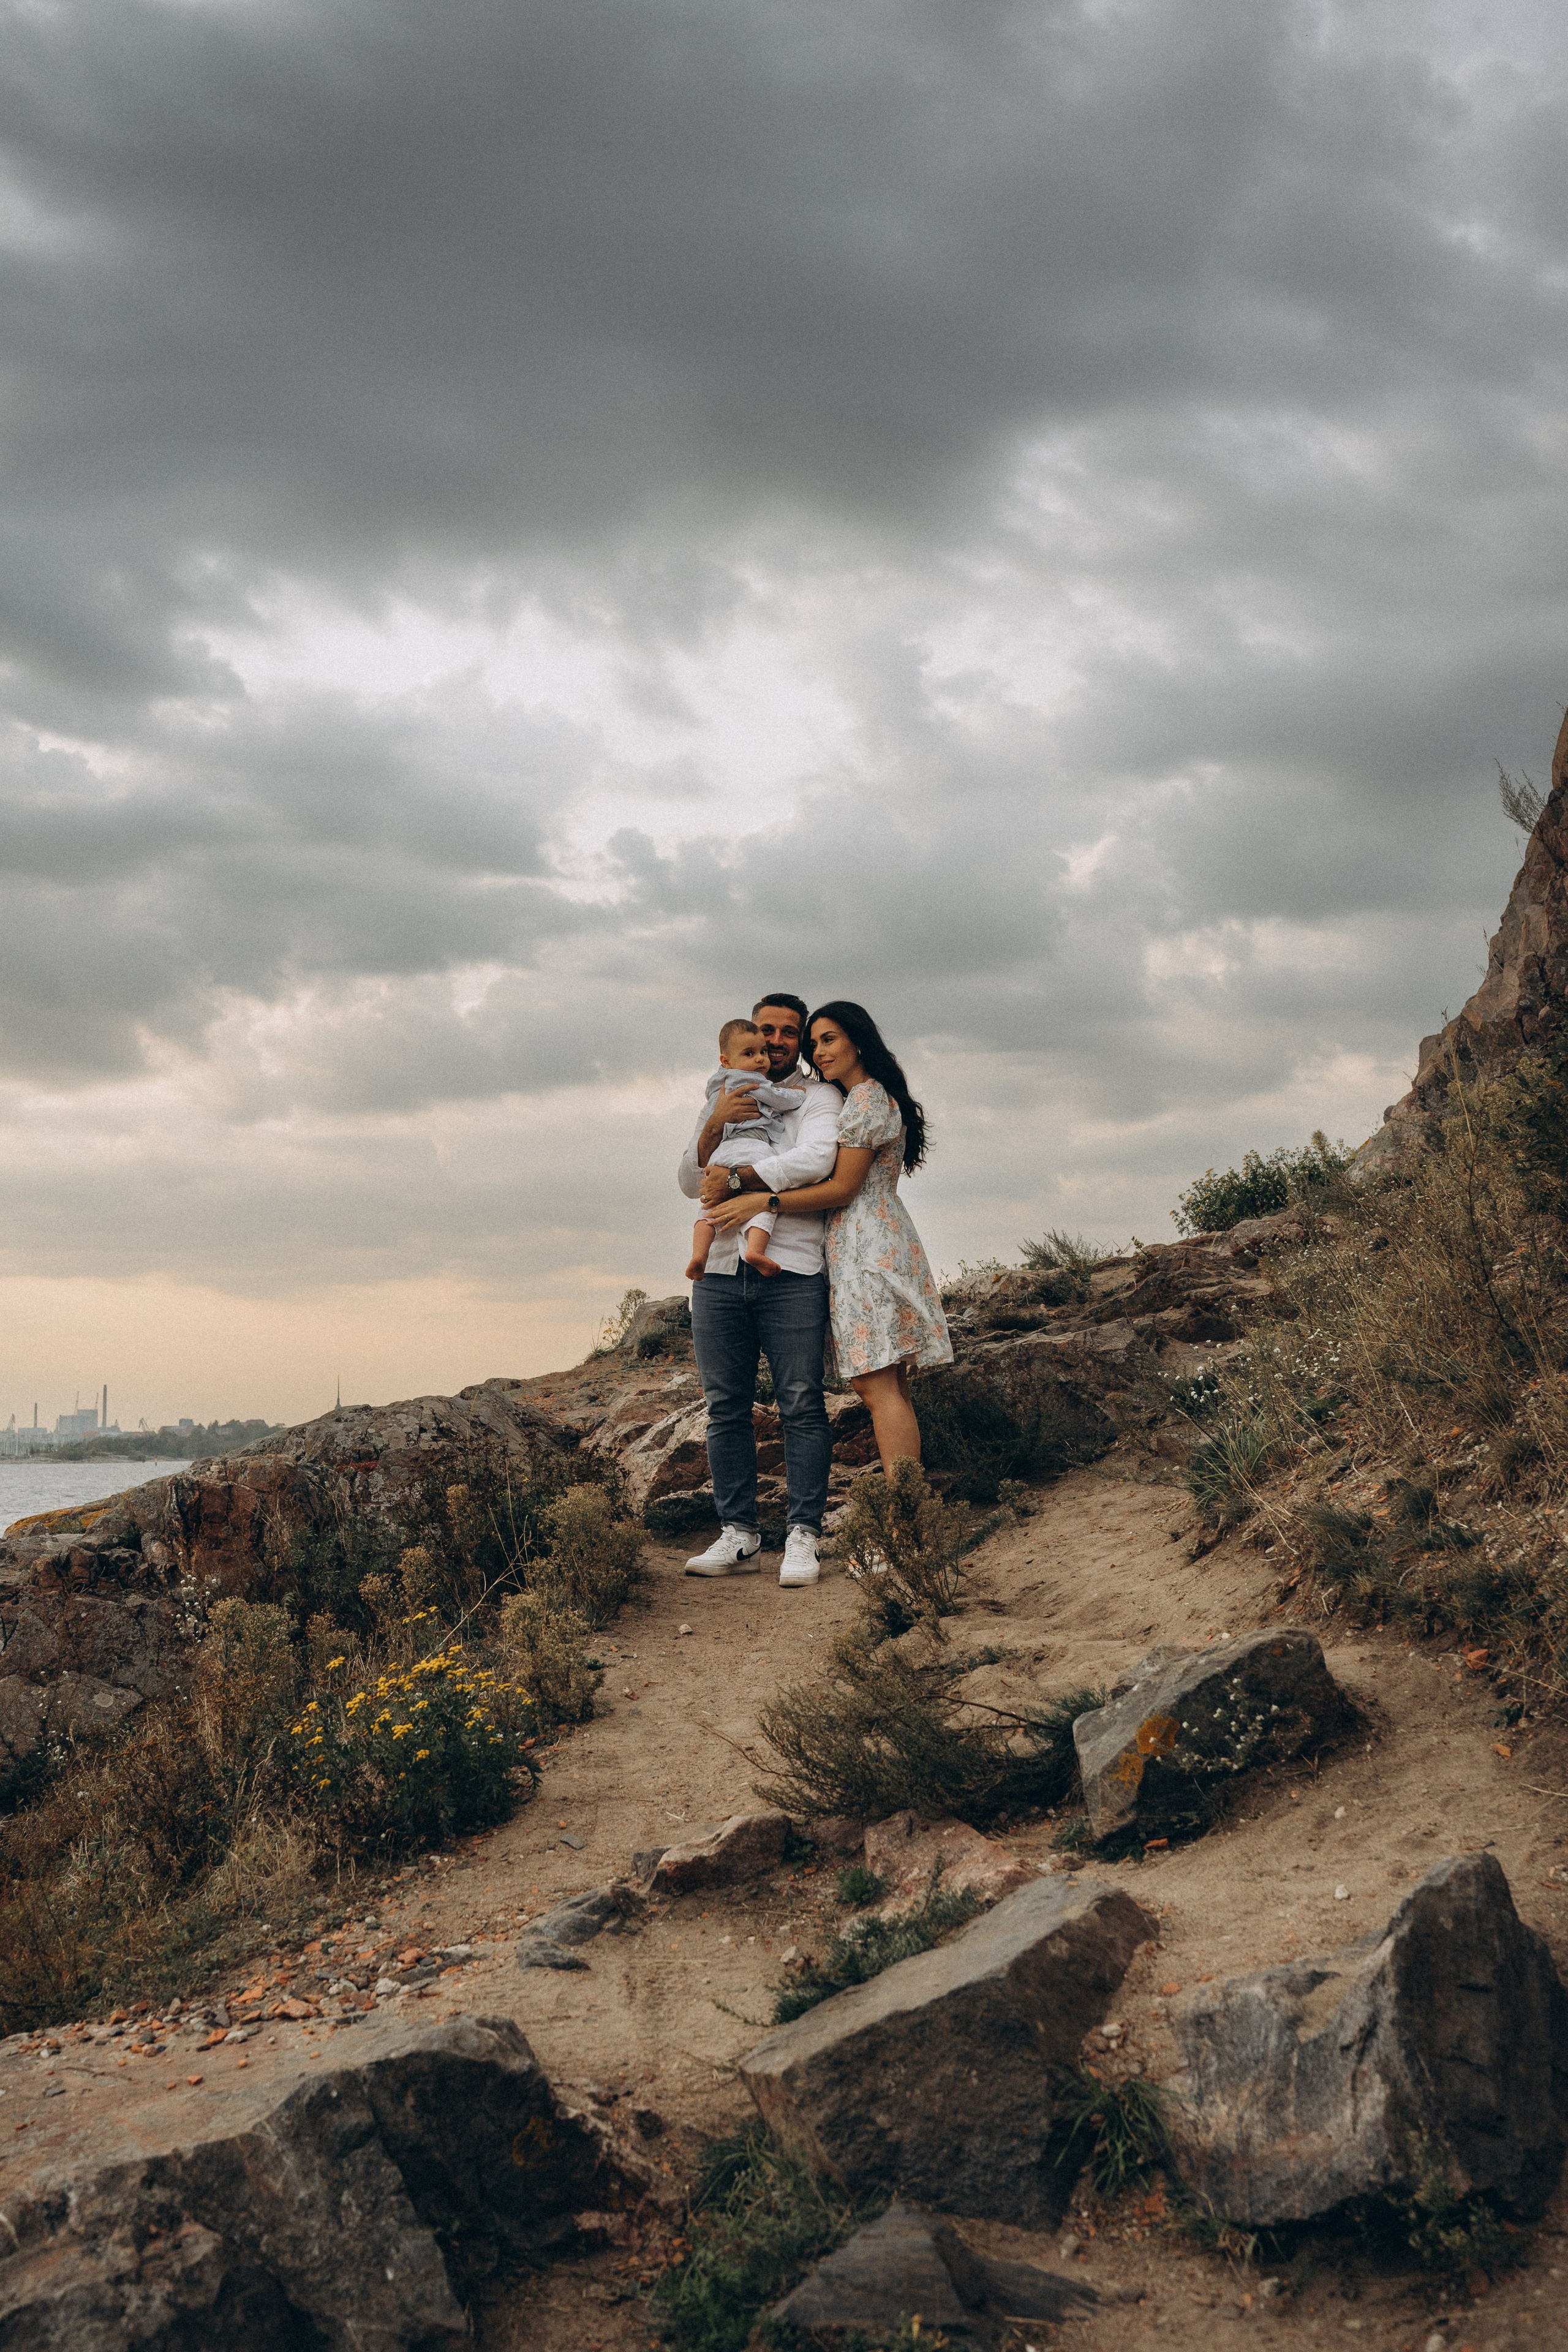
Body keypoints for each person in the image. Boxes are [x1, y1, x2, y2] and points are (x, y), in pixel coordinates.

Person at [706, 1000, 951, 1485]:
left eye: (829, 1039)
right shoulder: (873, 1096)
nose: (818, 1052)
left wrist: (762, 1202)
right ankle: (910, 1512)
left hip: (865, 1244)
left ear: (859, 1041)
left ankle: (904, 1517)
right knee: (889, 1385)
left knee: (876, 1386)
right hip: (876, 1238)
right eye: (814, 1043)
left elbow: (841, 1188)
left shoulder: (863, 1100)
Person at [677, 993, 842, 1589]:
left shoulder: (817, 1097)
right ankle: (738, 1534)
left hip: (792, 1267)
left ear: (799, 1041)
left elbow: (819, 1160)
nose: (774, 1041)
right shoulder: (724, 1092)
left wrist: (744, 1181)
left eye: (787, 1033)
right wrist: (717, 1123)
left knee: (800, 1400)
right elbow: (689, 1179)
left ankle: (803, 1535)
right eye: (764, 1030)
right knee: (725, 1408)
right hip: (719, 1270)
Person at [685, 1019, 808, 1281]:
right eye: (750, 1054)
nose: (761, 1059)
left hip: (721, 1154)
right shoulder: (754, 1082)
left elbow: (708, 1120)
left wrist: (716, 1122)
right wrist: (797, 1094)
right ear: (726, 1060)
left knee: (709, 1206)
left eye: (762, 1052)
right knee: (762, 1203)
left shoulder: (718, 1087)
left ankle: (699, 1255)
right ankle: (756, 1251)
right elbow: (780, 1099)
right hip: (753, 1150)